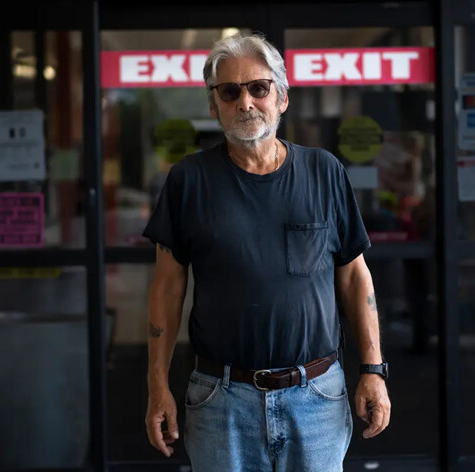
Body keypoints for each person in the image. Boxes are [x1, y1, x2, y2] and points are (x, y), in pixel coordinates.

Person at [142, 33, 391, 472]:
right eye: (230, 91)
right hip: (220, 401)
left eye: (259, 87)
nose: (246, 102)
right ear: (213, 104)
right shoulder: (188, 181)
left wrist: (373, 370)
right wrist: (157, 385)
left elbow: (355, 277)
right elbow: (167, 288)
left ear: (282, 98)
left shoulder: (324, 172)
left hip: (316, 396)